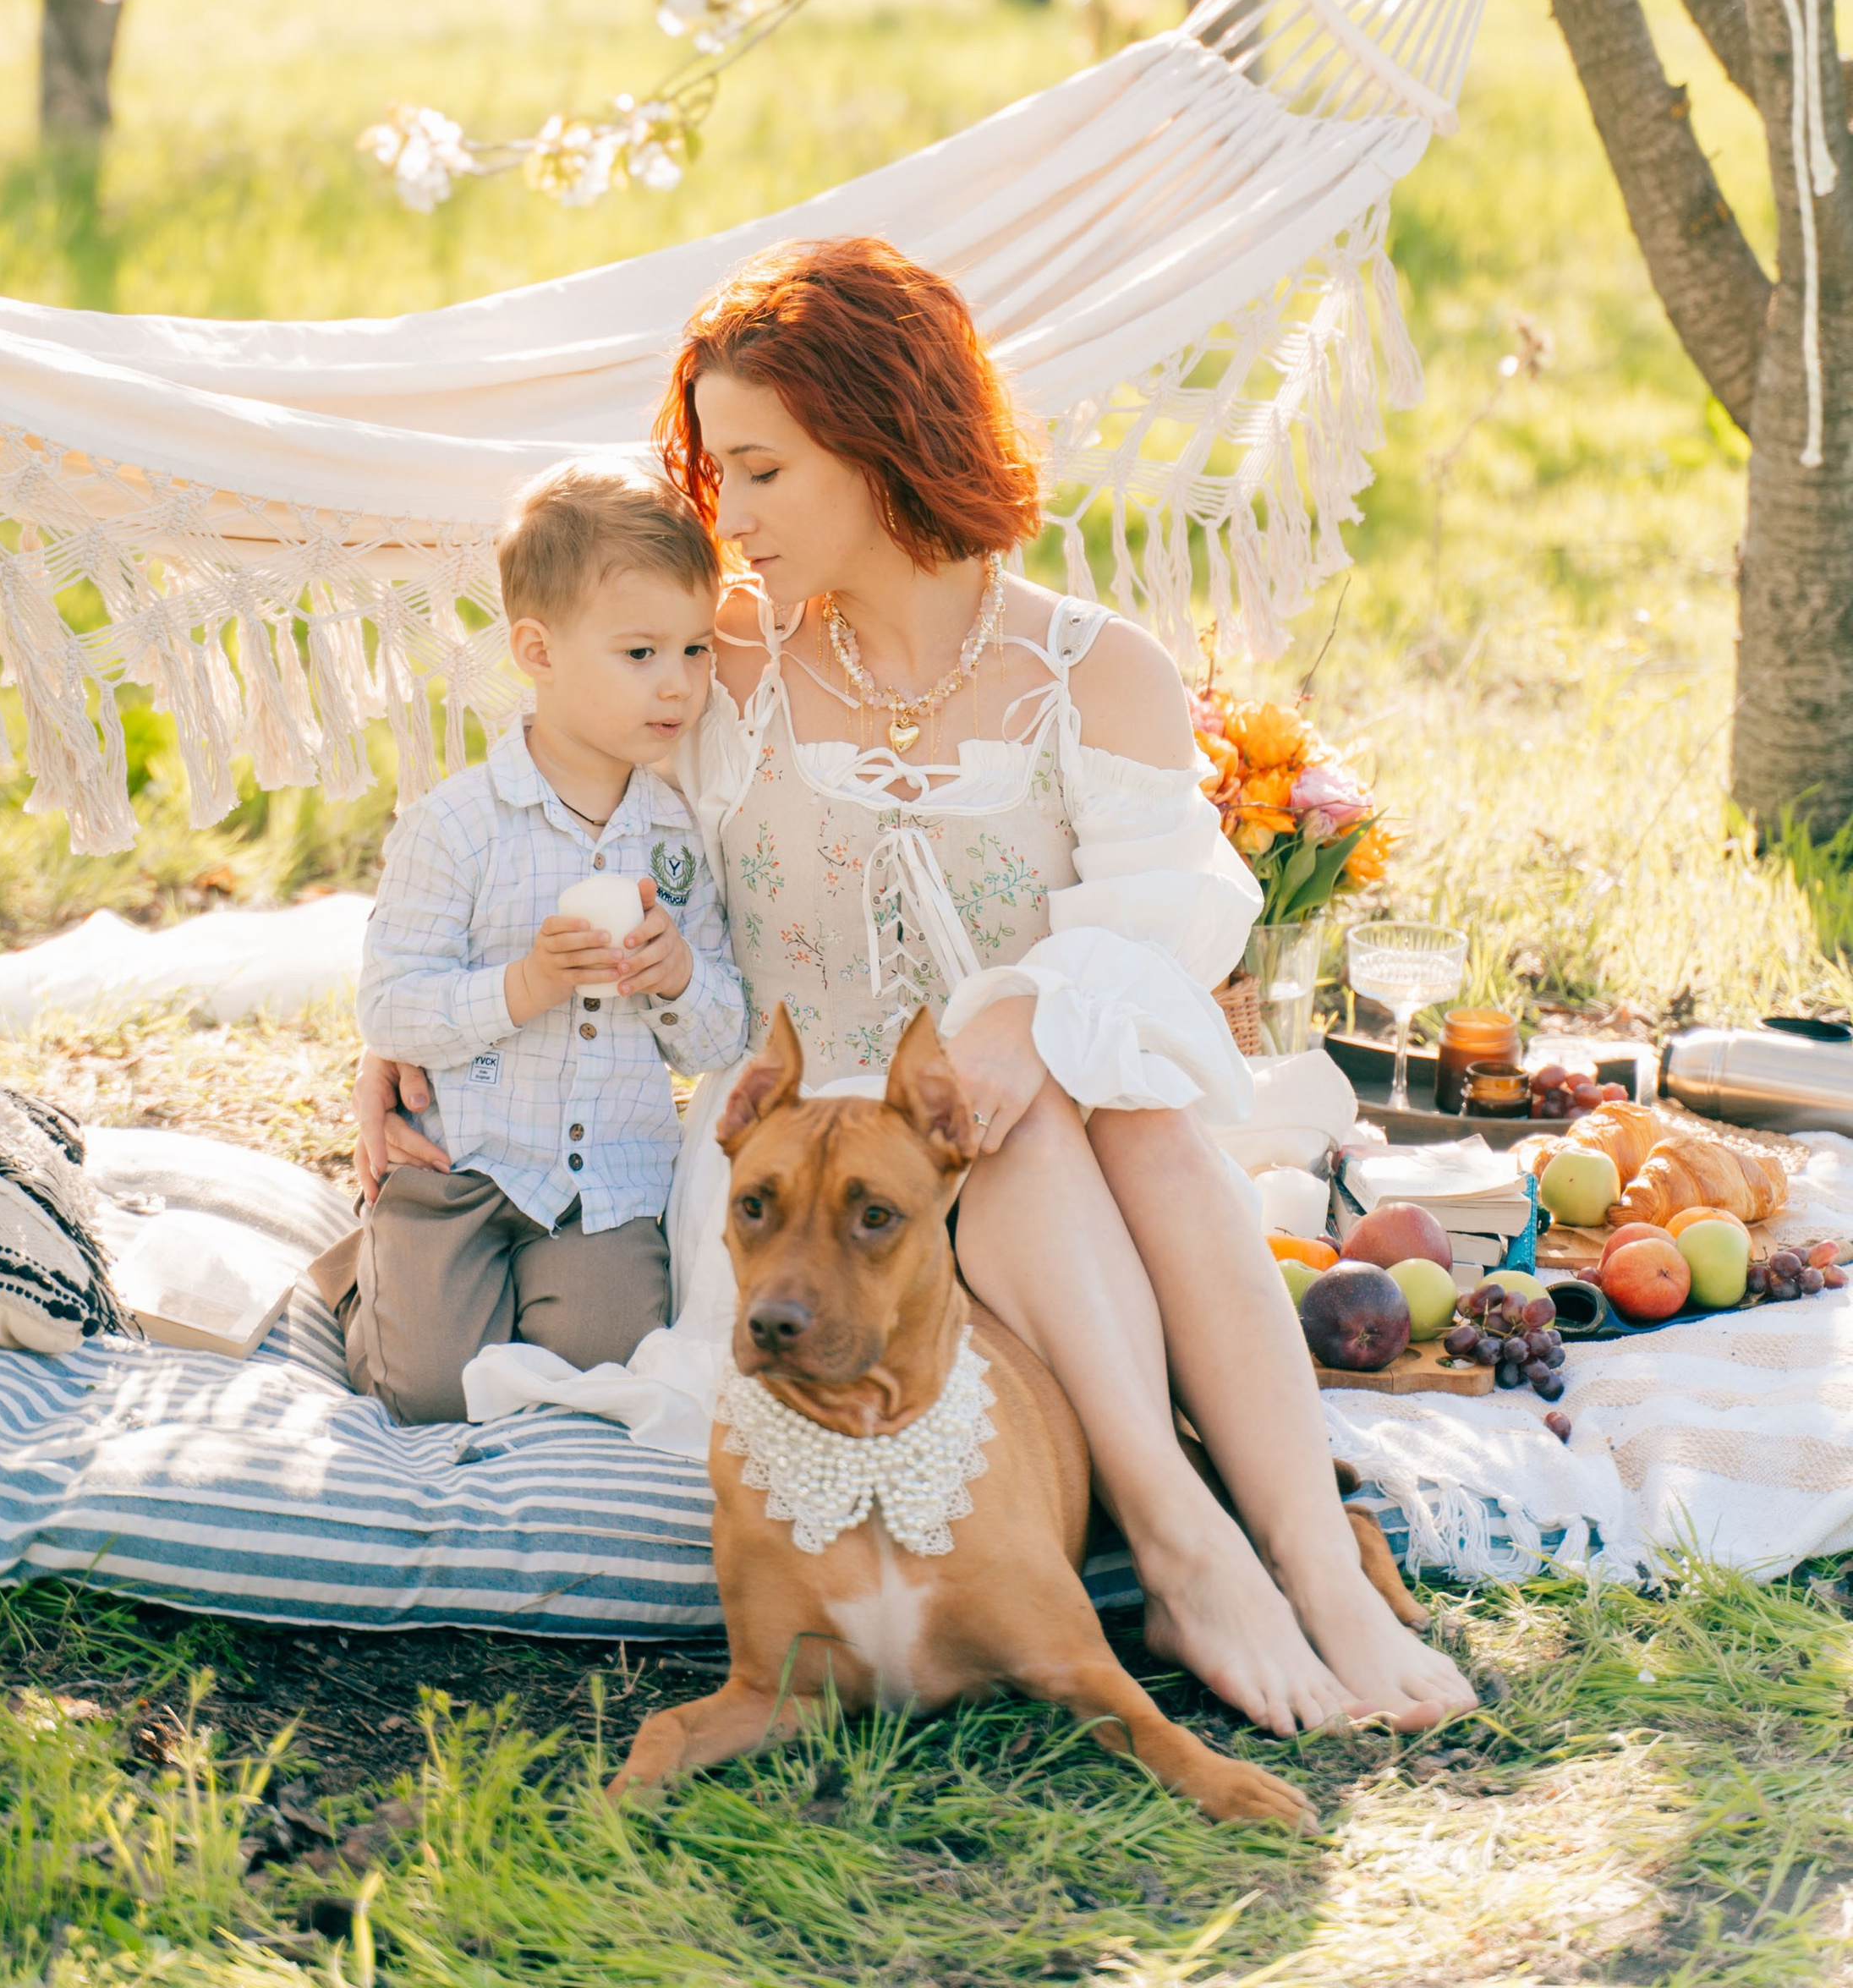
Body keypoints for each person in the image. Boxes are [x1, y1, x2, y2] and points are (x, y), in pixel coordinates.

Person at [355, 242, 1474, 1732]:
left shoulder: (1093, 672)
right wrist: (412, 1028)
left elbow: (1167, 931)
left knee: (1106, 1113)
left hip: (1048, 1131)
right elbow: (520, 816)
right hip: (812, 1174)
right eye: (715, 474)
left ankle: (1311, 1574)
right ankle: (1183, 1539)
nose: (725, 518)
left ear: (882, 440)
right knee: (998, 1135)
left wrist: (1018, 1017)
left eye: (758, 471)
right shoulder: (719, 661)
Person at [321, 461, 748, 1421]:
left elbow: (722, 1036)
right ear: (538, 651)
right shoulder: (459, 824)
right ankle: (376, 1268)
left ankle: (517, 1301)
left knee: (606, 1366)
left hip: (609, 1183)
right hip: (464, 1167)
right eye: (639, 654)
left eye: (694, 650)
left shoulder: (677, 836)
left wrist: (677, 976)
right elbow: (389, 1005)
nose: (678, 684)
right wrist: (520, 986)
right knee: (421, 1388)